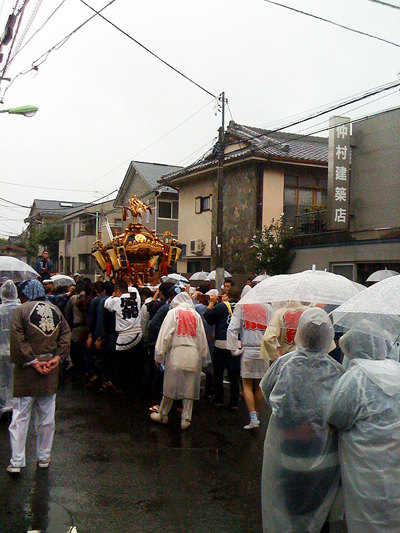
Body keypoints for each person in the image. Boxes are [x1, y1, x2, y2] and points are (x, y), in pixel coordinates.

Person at [260, 308, 344, 533]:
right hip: (326, 455)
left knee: (293, 511)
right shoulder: (336, 370)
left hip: (291, 452)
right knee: (320, 513)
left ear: (300, 333)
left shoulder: (284, 364)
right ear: (328, 336)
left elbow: (266, 390)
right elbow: (343, 409)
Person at [327, 323, 400, 533]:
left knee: (367, 518)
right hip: (395, 465)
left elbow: (335, 417)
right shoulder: (397, 371)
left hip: (364, 470)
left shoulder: (353, 378)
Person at [7, 279, 71, 475]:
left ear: (25, 293)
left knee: (20, 417)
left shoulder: (21, 310)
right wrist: (58, 357)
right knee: (46, 417)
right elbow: (65, 334)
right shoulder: (55, 310)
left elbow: (18, 339)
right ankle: (43, 457)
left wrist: (33, 361)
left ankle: (17, 461)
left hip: (27, 370)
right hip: (50, 369)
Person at [150, 292, 209, 429]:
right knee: (190, 389)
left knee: (169, 385)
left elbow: (165, 336)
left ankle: (163, 414)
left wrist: (159, 355)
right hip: (193, 354)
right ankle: (186, 419)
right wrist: (203, 354)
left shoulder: (173, 313)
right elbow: (201, 337)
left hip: (176, 353)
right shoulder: (196, 316)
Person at [227, 301, 273, 429]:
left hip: (247, 350)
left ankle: (252, 418)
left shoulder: (242, 307)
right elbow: (273, 329)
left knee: (247, 385)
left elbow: (232, 328)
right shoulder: (268, 308)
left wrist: (233, 348)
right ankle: (256, 418)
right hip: (263, 350)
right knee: (259, 386)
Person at [204, 286, 241, 409]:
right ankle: (234, 402)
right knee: (234, 374)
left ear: (228, 295)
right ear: (239, 296)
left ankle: (219, 398)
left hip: (221, 342)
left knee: (218, 372)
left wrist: (211, 303)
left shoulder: (222, 306)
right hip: (236, 344)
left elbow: (208, 317)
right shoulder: (243, 307)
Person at [0, 280, 20, 419]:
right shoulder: (21, 309)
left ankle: (4, 405)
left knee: (3, 378)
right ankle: (15, 405)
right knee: (16, 378)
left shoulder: (0, 310)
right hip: (17, 350)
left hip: (1, 350)